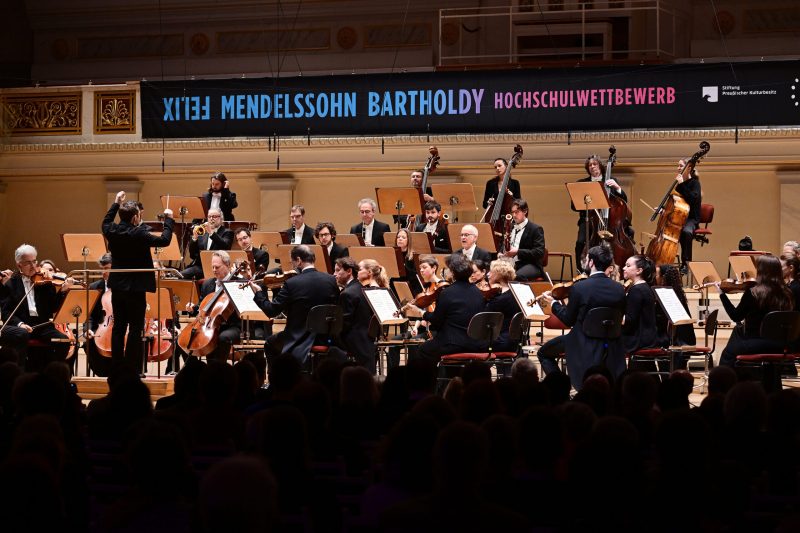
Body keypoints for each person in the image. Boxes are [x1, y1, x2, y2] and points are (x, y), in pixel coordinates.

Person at [102, 191, 174, 374]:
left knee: (118, 327)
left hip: (118, 286)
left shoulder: (111, 230)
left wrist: (116, 203)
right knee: (135, 328)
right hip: (136, 288)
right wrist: (169, 220)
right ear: (135, 217)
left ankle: (117, 367)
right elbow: (164, 240)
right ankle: (132, 368)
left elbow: (106, 220)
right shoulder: (139, 233)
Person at [540, 245, 626, 390]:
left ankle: (561, 389)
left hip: (583, 341)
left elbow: (568, 320)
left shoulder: (580, 288)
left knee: (543, 353)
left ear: (591, 262)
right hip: (611, 343)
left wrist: (554, 304)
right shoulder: (619, 289)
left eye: (587, 259)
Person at [251, 245, 339, 366]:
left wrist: (259, 293)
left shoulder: (292, 283)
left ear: (298, 260)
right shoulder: (331, 280)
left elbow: (272, 311)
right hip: (326, 336)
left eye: (292, 262)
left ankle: (279, 377)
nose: (292, 265)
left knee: (270, 344)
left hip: (298, 337)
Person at [0, 244, 73, 370]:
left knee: (63, 341)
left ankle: (51, 372)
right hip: (23, 326)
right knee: (21, 335)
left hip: (42, 326)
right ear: (19, 265)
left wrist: (62, 291)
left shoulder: (45, 282)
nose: (33, 266)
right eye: (28, 263)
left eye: (34, 261)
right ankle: (20, 373)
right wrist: (20, 324)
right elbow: (6, 312)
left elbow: (53, 308)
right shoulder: (11, 284)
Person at [717, 255, 795, 367]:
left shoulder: (753, 292)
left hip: (755, 344)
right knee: (738, 331)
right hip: (781, 345)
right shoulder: (787, 293)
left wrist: (722, 295)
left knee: (728, 353)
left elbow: (736, 316)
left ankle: (727, 376)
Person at [411, 254, 487, 363]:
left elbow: (437, 321)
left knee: (423, 350)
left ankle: (437, 374)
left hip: (453, 343)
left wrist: (422, 313)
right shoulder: (478, 292)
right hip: (476, 343)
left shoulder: (447, 293)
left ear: (452, 272)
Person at [573, 154, 627, 271]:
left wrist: (617, 188)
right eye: (590, 165)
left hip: (609, 220)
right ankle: (581, 270)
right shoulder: (582, 183)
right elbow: (574, 206)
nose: (592, 166)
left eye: (595, 164)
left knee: (625, 235)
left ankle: (615, 268)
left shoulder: (611, 181)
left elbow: (624, 201)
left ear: (600, 166)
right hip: (589, 220)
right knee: (580, 242)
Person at [185, 251, 241, 362]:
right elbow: (202, 307)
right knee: (186, 339)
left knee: (222, 337)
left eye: (217, 267)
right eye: (213, 267)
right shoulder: (207, 284)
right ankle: (198, 369)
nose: (214, 270)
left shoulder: (237, 284)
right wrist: (192, 308)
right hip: (209, 325)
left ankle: (218, 368)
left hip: (231, 325)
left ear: (227, 265)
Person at [339, 259, 385, 374]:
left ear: (369, 272)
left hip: (355, 341)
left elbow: (344, 324)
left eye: (359, 269)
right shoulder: (369, 290)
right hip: (369, 339)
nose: (357, 271)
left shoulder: (349, 293)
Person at [498, 198, 545, 281]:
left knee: (516, 276)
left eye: (517, 212)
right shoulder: (510, 227)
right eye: (512, 212)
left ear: (525, 211)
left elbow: (539, 252)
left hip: (530, 264)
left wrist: (517, 252)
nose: (514, 215)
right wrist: (501, 252)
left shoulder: (536, 229)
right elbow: (504, 244)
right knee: (491, 274)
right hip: (510, 263)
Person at [181, 207, 234, 280]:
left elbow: (225, 246)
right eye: (209, 217)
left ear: (221, 219)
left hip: (218, 267)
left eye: (214, 216)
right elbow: (192, 255)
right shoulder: (203, 233)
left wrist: (211, 233)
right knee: (180, 275)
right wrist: (194, 238)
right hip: (201, 267)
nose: (211, 219)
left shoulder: (227, 232)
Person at [621, 255, 659, 355]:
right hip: (647, 337)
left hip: (638, 340)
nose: (624, 268)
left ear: (639, 271)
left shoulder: (637, 290)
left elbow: (630, 320)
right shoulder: (644, 287)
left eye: (628, 266)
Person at [654, 264, 696, 347]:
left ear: (663, 278)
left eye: (656, 275)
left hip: (676, 341)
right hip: (686, 339)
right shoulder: (678, 293)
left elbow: (660, 323)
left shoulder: (666, 296)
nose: (654, 277)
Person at [85, 253, 113, 377]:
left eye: (107, 268)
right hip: (100, 328)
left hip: (120, 327)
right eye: (102, 269)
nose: (103, 272)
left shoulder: (124, 287)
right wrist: (88, 329)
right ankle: (102, 375)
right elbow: (89, 314)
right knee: (89, 342)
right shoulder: (94, 287)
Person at [484, 259, 518, 354]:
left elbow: (483, 320)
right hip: (514, 340)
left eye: (491, 272)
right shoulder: (515, 294)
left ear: (498, 274)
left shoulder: (499, 300)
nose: (488, 274)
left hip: (500, 341)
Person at [674, 158, 702, 272]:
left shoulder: (695, 184)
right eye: (678, 166)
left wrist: (682, 184)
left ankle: (686, 263)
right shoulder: (678, 186)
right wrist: (664, 210)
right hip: (680, 217)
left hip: (691, 219)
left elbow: (692, 199)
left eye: (681, 166)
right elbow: (675, 204)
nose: (678, 168)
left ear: (689, 168)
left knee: (686, 231)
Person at [392, 228, 422, 296]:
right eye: (398, 237)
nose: (400, 239)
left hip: (409, 288)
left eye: (403, 237)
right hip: (394, 286)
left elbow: (415, 278)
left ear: (408, 240)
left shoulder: (414, 257)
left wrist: (403, 267)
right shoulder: (392, 254)